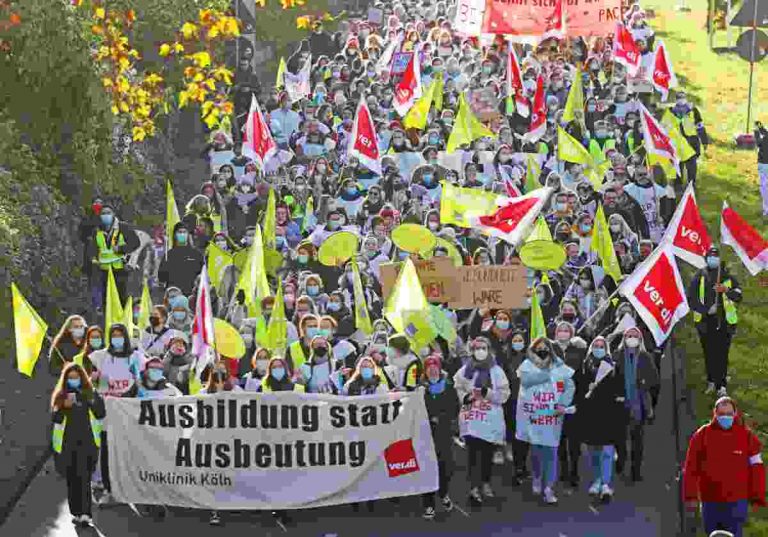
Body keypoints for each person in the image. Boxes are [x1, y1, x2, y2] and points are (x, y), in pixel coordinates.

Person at [683, 397, 766, 537]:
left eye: (729, 414)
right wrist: (690, 497)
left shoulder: (746, 437)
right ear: (715, 414)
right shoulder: (701, 436)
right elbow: (691, 468)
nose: (725, 417)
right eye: (721, 414)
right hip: (710, 501)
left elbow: (757, 468)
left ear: (735, 414)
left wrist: (757, 496)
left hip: (736, 502)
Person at [515, 337, 575, 505]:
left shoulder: (560, 367)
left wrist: (563, 403)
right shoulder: (527, 366)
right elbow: (525, 382)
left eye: (545, 347)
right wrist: (545, 375)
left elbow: (569, 386)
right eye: (538, 348)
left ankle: (549, 487)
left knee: (551, 451)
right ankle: (536, 477)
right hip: (533, 417)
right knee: (536, 450)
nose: (542, 350)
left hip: (552, 417)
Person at [89, 323, 143, 503]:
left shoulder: (135, 357)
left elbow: (142, 379)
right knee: (106, 451)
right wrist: (96, 381)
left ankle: (129, 488)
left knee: (127, 450)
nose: (117, 339)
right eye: (114, 335)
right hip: (108, 412)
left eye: (120, 335)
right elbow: (102, 387)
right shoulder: (102, 357)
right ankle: (108, 489)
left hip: (127, 412)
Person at [454, 337, 510, 505]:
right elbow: (458, 385)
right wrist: (465, 397)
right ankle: (473, 487)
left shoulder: (497, 371)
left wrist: (489, 394)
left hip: (489, 418)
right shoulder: (465, 370)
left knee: (486, 453)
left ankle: (485, 482)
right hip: (472, 418)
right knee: (472, 454)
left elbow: (505, 394)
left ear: (489, 349)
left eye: (483, 348)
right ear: (472, 350)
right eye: (477, 348)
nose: (480, 351)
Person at [51, 363, 105, 527]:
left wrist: (91, 400)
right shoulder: (61, 395)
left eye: (76, 377)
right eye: (70, 377)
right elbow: (55, 419)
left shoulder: (90, 393)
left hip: (87, 443)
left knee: (84, 478)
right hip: (67, 445)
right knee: (72, 480)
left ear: (82, 377)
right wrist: (63, 407)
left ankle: (86, 514)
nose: (73, 380)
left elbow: (101, 413)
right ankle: (76, 511)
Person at [574, 336, 624, 501]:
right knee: (593, 451)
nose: (598, 348)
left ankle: (606, 484)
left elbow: (619, 389)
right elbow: (577, 390)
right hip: (590, 415)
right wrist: (586, 389)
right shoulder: (583, 367)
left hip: (608, 414)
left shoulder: (613, 367)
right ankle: (596, 480)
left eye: (602, 346)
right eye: (596, 345)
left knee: (607, 451)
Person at [688, 246, 742, 397]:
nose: (713, 259)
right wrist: (706, 310)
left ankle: (721, 384)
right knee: (709, 352)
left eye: (716, 256)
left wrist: (726, 290)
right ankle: (711, 380)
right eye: (710, 256)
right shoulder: (700, 276)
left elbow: (738, 296)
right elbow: (691, 299)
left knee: (722, 353)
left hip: (725, 322)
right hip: (705, 322)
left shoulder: (727, 277)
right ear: (706, 259)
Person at [614, 326, 659, 483]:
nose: (631, 339)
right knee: (619, 438)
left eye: (634, 336)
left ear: (640, 340)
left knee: (637, 440)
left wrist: (644, 383)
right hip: (620, 403)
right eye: (629, 336)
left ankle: (636, 470)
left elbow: (654, 378)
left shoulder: (645, 357)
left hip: (639, 404)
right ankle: (619, 462)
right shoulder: (617, 356)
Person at [420, 354, 457, 519]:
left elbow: (454, 407)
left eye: (435, 367)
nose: (432, 370)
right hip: (426, 434)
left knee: (445, 467)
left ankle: (443, 494)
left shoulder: (448, 386)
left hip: (443, 433)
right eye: (429, 368)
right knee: (427, 468)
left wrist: (441, 418)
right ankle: (428, 504)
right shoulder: (420, 389)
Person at [158, 222, 205, 296]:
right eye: (179, 232)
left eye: (184, 232)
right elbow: (162, 278)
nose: (182, 234)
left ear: (188, 235)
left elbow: (202, 275)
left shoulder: (197, 255)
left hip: (192, 297)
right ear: (175, 235)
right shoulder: (168, 255)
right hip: (174, 297)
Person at [754, 120, 768, 217]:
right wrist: (760, 127)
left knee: (764, 187)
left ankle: (766, 210)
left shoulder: (764, 140)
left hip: (764, 164)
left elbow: (759, 142)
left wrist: (756, 132)